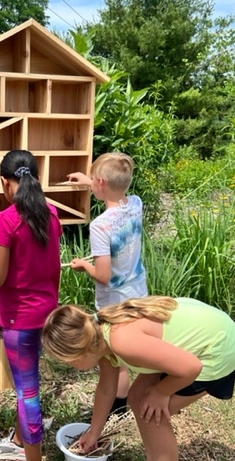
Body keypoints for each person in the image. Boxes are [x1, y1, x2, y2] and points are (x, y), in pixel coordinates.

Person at [42, 297, 235, 461]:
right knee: (138, 396)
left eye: (69, 362)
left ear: (80, 352)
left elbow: (191, 367)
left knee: (149, 412)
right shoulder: (101, 338)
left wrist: (161, 392)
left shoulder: (121, 341)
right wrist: (94, 432)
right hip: (206, 329)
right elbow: (106, 390)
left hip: (216, 347)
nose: (71, 367)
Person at [0, 150, 63, 461]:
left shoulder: (5, 221)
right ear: (36, 178)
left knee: (27, 394)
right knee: (28, 385)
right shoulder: (52, 214)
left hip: (19, 321)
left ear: (5, 183)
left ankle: (31, 456)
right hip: (47, 315)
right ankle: (19, 438)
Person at [66, 152, 148, 416]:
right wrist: (86, 181)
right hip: (138, 291)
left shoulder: (101, 227)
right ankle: (120, 405)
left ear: (100, 182)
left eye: (93, 180)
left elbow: (102, 275)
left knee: (111, 357)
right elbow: (113, 191)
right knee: (123, 353)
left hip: (113, 301)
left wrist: (83, 266)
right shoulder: (136, 203)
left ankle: (112, 405)